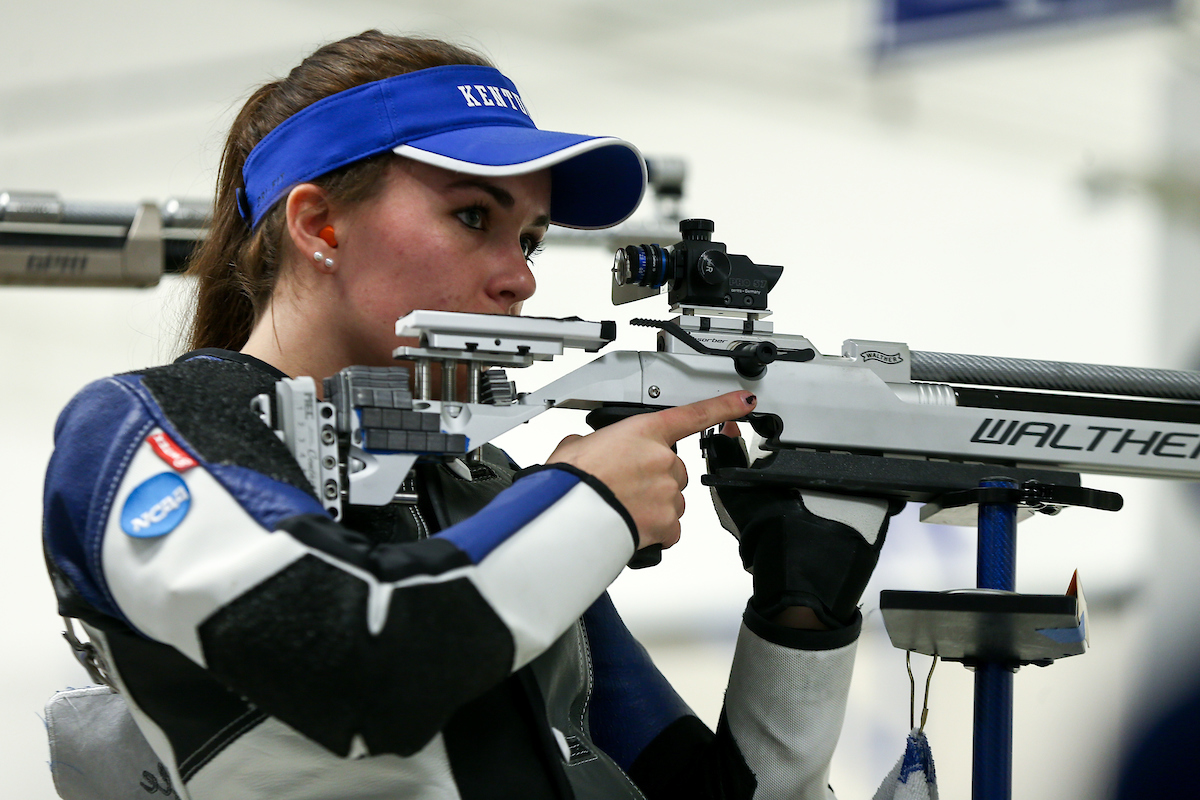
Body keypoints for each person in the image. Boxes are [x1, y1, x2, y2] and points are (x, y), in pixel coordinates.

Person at [42, 30, 895, 800]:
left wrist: (799, 612)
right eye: (472, 216)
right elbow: (360, 663)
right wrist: (586, 501)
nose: (519, 277)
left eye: (528, 238)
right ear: (318, 223)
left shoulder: (481, 490)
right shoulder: (143, 427)